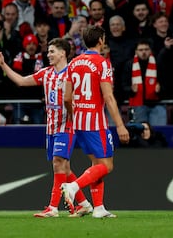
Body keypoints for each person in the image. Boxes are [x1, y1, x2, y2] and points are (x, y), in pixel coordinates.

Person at [0, 38, 93, 218]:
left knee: (57, 164)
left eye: (52, 51)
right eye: (48, 51)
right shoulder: (46, 73)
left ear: (63, 53)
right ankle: (84, 204)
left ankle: (52, 208)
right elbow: (22, 81)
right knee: (65, 168)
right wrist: (2, 65)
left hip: (68, 126)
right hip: (51, 128)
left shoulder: (73, 73)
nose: (49, 55)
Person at [62, 25, 130, 218]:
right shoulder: (102, 63)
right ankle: (73, 187)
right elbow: (108, 97)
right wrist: (120, 125)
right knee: (107, 166)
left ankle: (98, 208)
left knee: (96, 164)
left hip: (79, 122)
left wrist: (74, 114)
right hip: (96, 123)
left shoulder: (73, 62)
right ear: (101, 40)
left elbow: (67, 97)